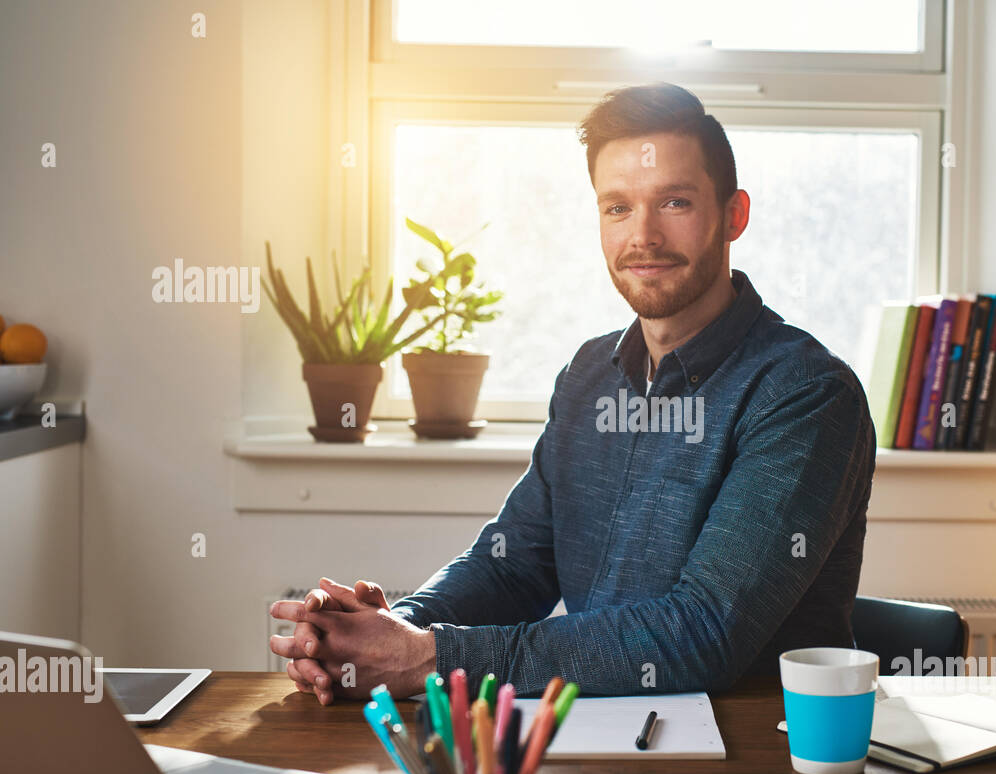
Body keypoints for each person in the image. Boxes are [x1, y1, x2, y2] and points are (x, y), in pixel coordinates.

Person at [269, 81, 876, 701]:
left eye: (674, 202)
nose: (643, 236)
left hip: (752, 766)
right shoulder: (589, 375)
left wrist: (429, 657)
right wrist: (397, 627)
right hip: (591, 741)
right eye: (617, 207)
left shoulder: (805, 393)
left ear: (734, 214)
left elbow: (703, 635)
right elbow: (515, 564)